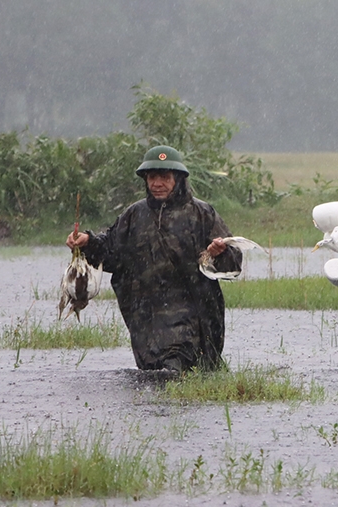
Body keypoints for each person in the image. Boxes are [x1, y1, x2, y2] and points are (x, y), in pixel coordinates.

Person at [66, 145, 242, 372]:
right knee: (153, 375)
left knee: (181, 366)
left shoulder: (202, 214)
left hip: (193, 313)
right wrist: (87, 242)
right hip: (145, 317)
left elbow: (234, 264)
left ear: (177, 179)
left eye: (164, 177)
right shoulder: (134, 215)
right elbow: (111, 253)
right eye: (152, 177)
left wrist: (220, 252)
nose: (157, 183)